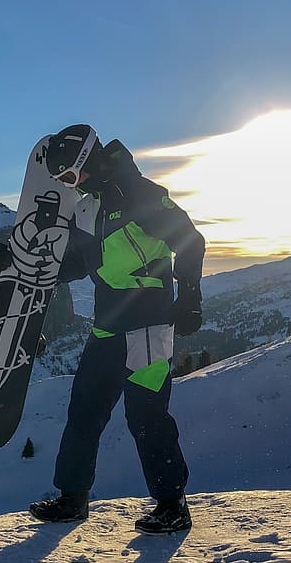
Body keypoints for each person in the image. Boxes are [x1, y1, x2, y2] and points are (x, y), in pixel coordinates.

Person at [28, 124, 205, 534]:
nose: (70, 185)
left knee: (146, 417)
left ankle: (171, 504)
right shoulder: (88, 206)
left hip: (148, 325)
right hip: (107, 327)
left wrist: (191, 295)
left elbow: (191, 241)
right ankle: (72, 500)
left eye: (72, 176)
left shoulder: (141, 194)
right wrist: (30, 269)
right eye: (63, 180)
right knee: (84, 413)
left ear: (90, 160)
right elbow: (79, 264)